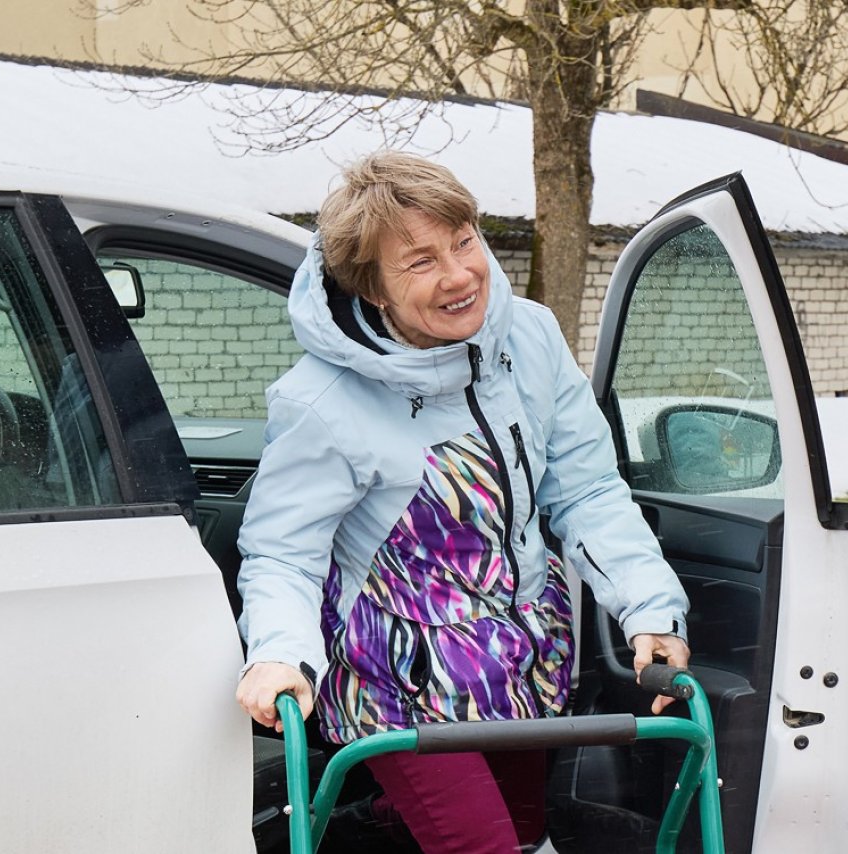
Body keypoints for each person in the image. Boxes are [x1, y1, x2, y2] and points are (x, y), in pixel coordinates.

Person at [234, 152, 690, 853]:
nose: (459, 274)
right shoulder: (321, 403)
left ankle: (375, 831)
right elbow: (283, 555)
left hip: (522, 661)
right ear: (374, 289)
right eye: (419, 262)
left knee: (526, 835)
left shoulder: (530, 338)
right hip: (398, 680)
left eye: (464, 241)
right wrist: (280, 653)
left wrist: (649, 608)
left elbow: (587, 489)